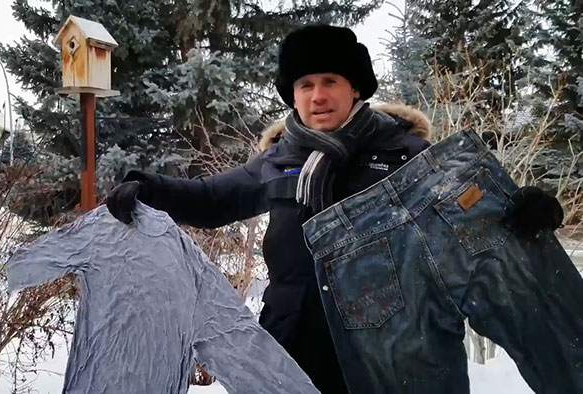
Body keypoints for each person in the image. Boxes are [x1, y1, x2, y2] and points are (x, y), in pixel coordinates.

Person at [106, 25, 563, 393]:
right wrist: (146, 188)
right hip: (290, 345)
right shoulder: (278, 159)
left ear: (354, 88)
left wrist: (524, 213)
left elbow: (471, 225)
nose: (317, 95)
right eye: (305, 84)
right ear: (293, 95)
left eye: (330, 81)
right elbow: (209, 199)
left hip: (394, 350)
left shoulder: (409, 155)